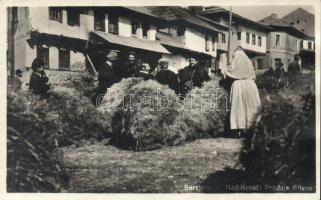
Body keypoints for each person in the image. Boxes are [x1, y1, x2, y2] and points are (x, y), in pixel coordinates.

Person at [222, 46, 261, 138]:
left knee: (238, 108)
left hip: (238, 86)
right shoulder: (248, 62)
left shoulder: (235, 61)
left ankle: (238, 130)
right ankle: (250, 128)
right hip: (251, 85)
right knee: (251, 107)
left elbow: (227, 72)